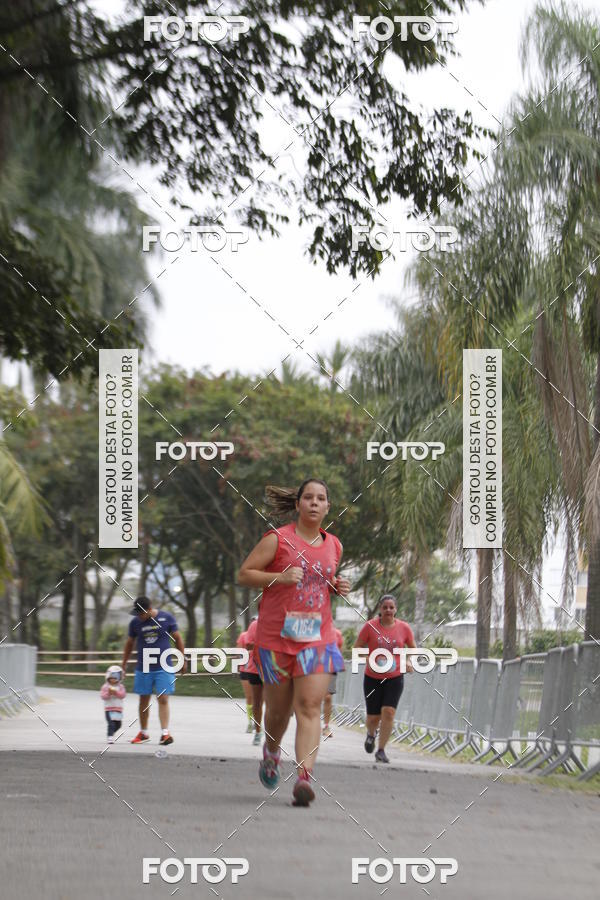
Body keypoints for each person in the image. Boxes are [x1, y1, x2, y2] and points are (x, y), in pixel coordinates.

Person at [238, 478, 351, 807]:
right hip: (275, 640)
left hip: (317, 638)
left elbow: (320, 580)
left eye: (321, 499)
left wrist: (335, 586)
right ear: (298, 504)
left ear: (328, 506)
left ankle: (304, 777)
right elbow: (245, 574)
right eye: (309, 498)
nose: (315, 503)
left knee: (310, 706)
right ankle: (271, 752)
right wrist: (279, 577)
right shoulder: (277, 540)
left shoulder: (335, 545)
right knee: (278, 713)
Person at [353, 594, 416, 763]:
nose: (388, 610)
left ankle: (381, 750)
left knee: (388, 712)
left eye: (391, 607)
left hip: (395, 677)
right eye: (385, 607)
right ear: (380, 609)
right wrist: (369, 659)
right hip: (372, 677)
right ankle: (371, 734)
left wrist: (408, 661)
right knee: (373, 717)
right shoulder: (369, 627)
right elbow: (357, 647)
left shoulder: (404, 628)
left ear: (395, 610)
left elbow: (412, 647)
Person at [121, 595, 186, 746]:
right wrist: (123, 663)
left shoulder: (167, 618)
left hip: (164, 666)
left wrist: (182, 659)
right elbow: (129, 644)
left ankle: (165, 734)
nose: (139, 616)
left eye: (142, 613)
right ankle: (143, 733)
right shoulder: (135, 623)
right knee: (143, 699)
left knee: (163, 698)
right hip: (143, 667)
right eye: (137, 613)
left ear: (150, 609)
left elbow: (178, 638)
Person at [237, 617, 264, 744]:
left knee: (270, 703)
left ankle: (264, 729)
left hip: (272, 667)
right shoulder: (250, 629)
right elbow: (244, 647)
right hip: (251, 667)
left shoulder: (279, 621)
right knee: (253, 699)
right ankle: (254, 726)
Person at [322, 627, 344, 738]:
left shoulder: (337, 633)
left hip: (330, 669)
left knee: (328, 698)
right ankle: (311, 724)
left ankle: (326, 726)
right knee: (313, 698)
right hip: (313, 667)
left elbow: (338, 651)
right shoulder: (314, 629)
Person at [100, 664, 126, 744]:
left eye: (115, 678)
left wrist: (116, 693)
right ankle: (110, 736)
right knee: (111, 723)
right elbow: (103, 696)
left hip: (118, 709)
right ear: (108, 677)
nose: (113, 680)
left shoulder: (121, 686)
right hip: (109, 709)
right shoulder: (105, 687)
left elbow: (123, 695)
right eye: (111, 678)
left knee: (118, 725)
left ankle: (111, 733)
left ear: (119, 678)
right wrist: (109, 693)